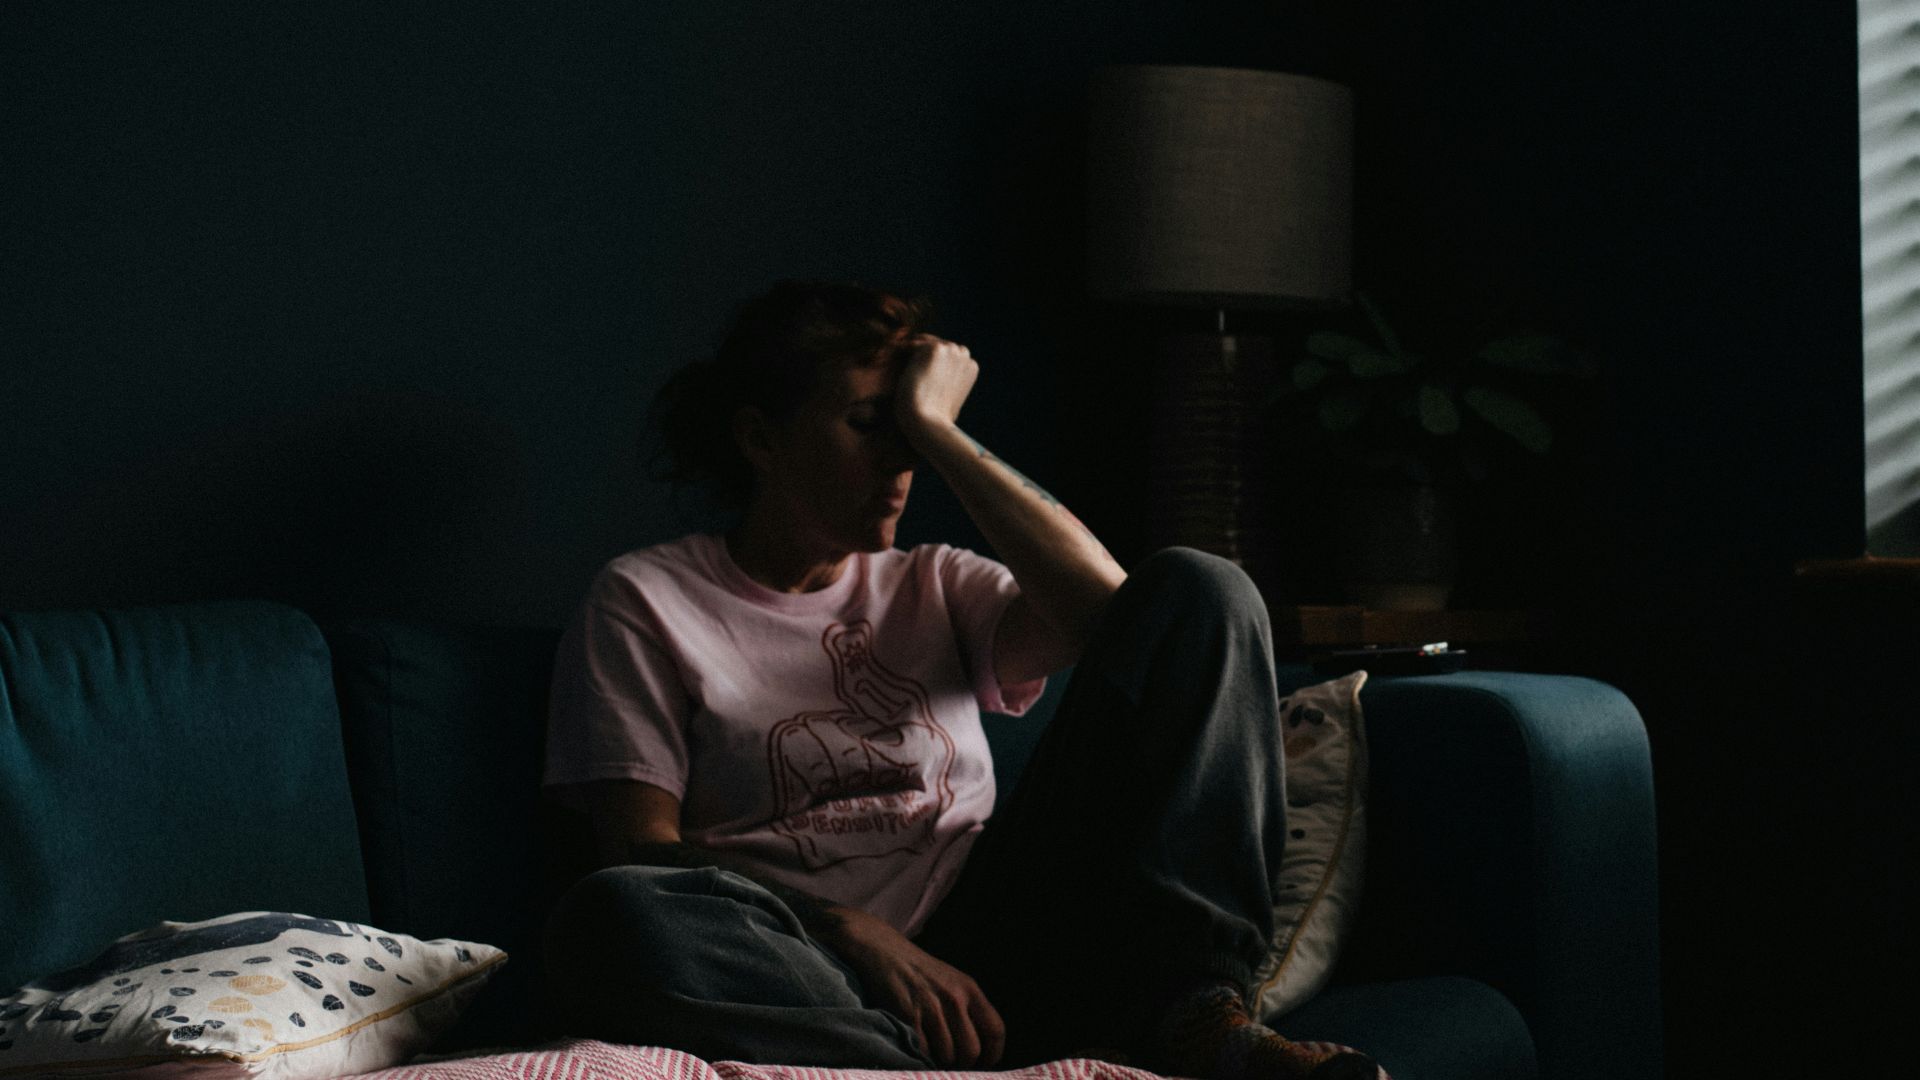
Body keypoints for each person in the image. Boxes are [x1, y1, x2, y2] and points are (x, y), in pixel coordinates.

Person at [538, 280, 1376, 1080]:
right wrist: (853, 931)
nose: (899, 461)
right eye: (870, 424)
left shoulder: (935, 583)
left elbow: (1128, 618)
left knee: (1206, 586)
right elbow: (643, 850)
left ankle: (1198, 1013)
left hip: (1004, 945)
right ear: (761, 439)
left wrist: (939, 428)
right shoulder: (645, 599)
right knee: (616, 914)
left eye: (911, 434)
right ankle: (916, 1067)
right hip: (813, 965)